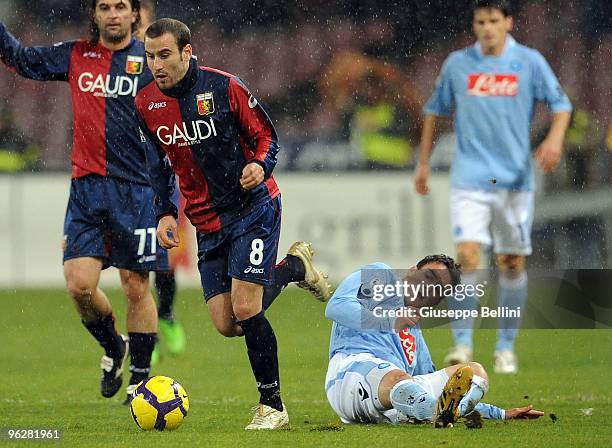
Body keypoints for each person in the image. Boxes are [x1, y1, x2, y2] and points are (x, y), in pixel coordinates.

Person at [136, 18, 332, 430]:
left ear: (187, 53)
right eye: (151, 55)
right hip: (206, 222)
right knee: (228, 324)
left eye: (165, 55)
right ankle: (296, 268)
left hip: (252, 209)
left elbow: (267, 136)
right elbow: (157, 163)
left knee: (246, 308)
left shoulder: (224, 87)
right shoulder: (147, 104)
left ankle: (273, 406)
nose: (157, 63)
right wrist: (165, 212)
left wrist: (261, 166)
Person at [0, 0, 166, 402]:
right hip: (87, 191)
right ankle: (114, 346)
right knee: (79, 286)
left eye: (120, 6)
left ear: (133, 15)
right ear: (95, 15)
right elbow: (20, 58)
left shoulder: (149, 61)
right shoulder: (75, 55)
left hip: (137, 190)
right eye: (104, 6)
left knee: (135, 286)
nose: (112, 13)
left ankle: (141, 381)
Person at [415, 0, 572, 372]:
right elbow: (433, 111)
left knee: (511, 262)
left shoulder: (529, 62)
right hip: (470, 177)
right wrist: (422, 163)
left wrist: (553, 140)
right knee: (467, 257)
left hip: (515, 180)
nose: (487, 28)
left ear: (508, 22)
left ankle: (505, 347)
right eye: (480, 21)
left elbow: (560, 104)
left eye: (493, 21)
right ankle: (463, 345)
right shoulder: (458, 64)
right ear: (474, 25)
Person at [325, 254, 544, 425]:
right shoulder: (381, 276)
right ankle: (437, 415)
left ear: (436, 301)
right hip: (348, 376)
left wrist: (499, 413)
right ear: (412, 271)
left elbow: (435, 392)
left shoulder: (415, 336)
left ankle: (442, 417)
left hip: (390, 402)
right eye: (428, 276)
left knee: (476, 372)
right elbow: (336, 307)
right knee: (398, 377)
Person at [135, 0, 186, 365]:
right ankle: (146, 337)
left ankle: (165, 313)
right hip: (127, 177)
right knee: (136, 268)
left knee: (165, 260)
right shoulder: (122, 63)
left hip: (165, 176)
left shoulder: (160, 64)